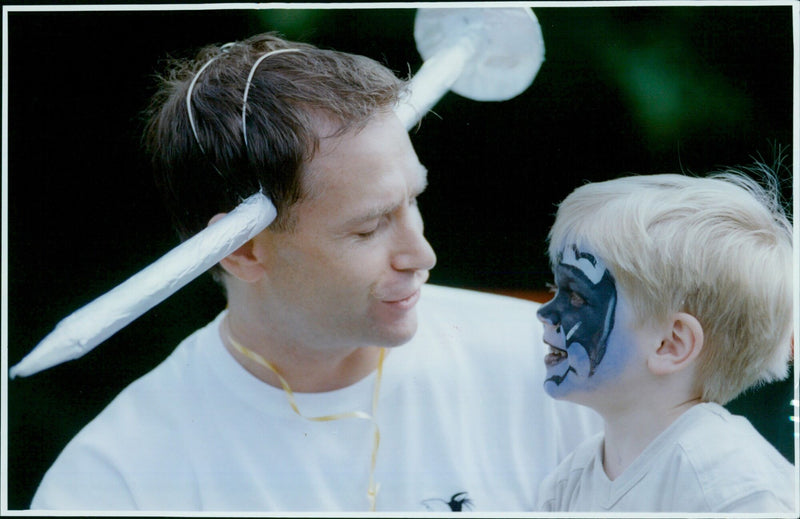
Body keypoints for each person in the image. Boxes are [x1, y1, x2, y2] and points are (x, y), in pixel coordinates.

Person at [30, 33, 600, 512]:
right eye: (369, 227)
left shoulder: (555, 367)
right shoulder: (118, 479)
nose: (421, 254)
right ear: (244, 251)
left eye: (413, 201)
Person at [534, 169, 796, 513]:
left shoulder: (733, 487)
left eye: (577, 296)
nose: (546, 312)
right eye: (556, 289)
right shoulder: (569, 481)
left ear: (670, 344)